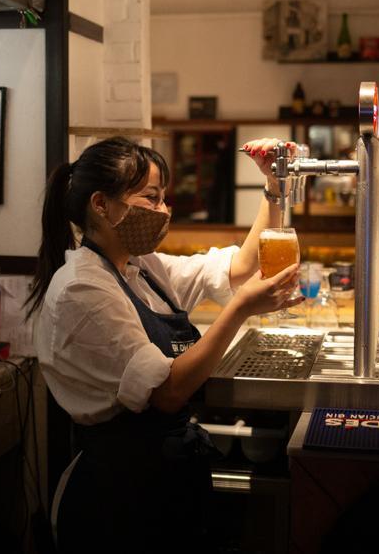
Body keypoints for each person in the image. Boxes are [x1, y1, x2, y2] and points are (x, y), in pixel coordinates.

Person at [26, 136, 302, 554]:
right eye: (151, 199)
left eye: (164, 198)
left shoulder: (142, 267)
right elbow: (169, 392)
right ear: (101, 204)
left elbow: (241, 267)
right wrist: (241, 309)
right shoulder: (83, 289)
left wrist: (274, 186)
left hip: (164, 477)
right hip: (118, 495)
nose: (164, 211)